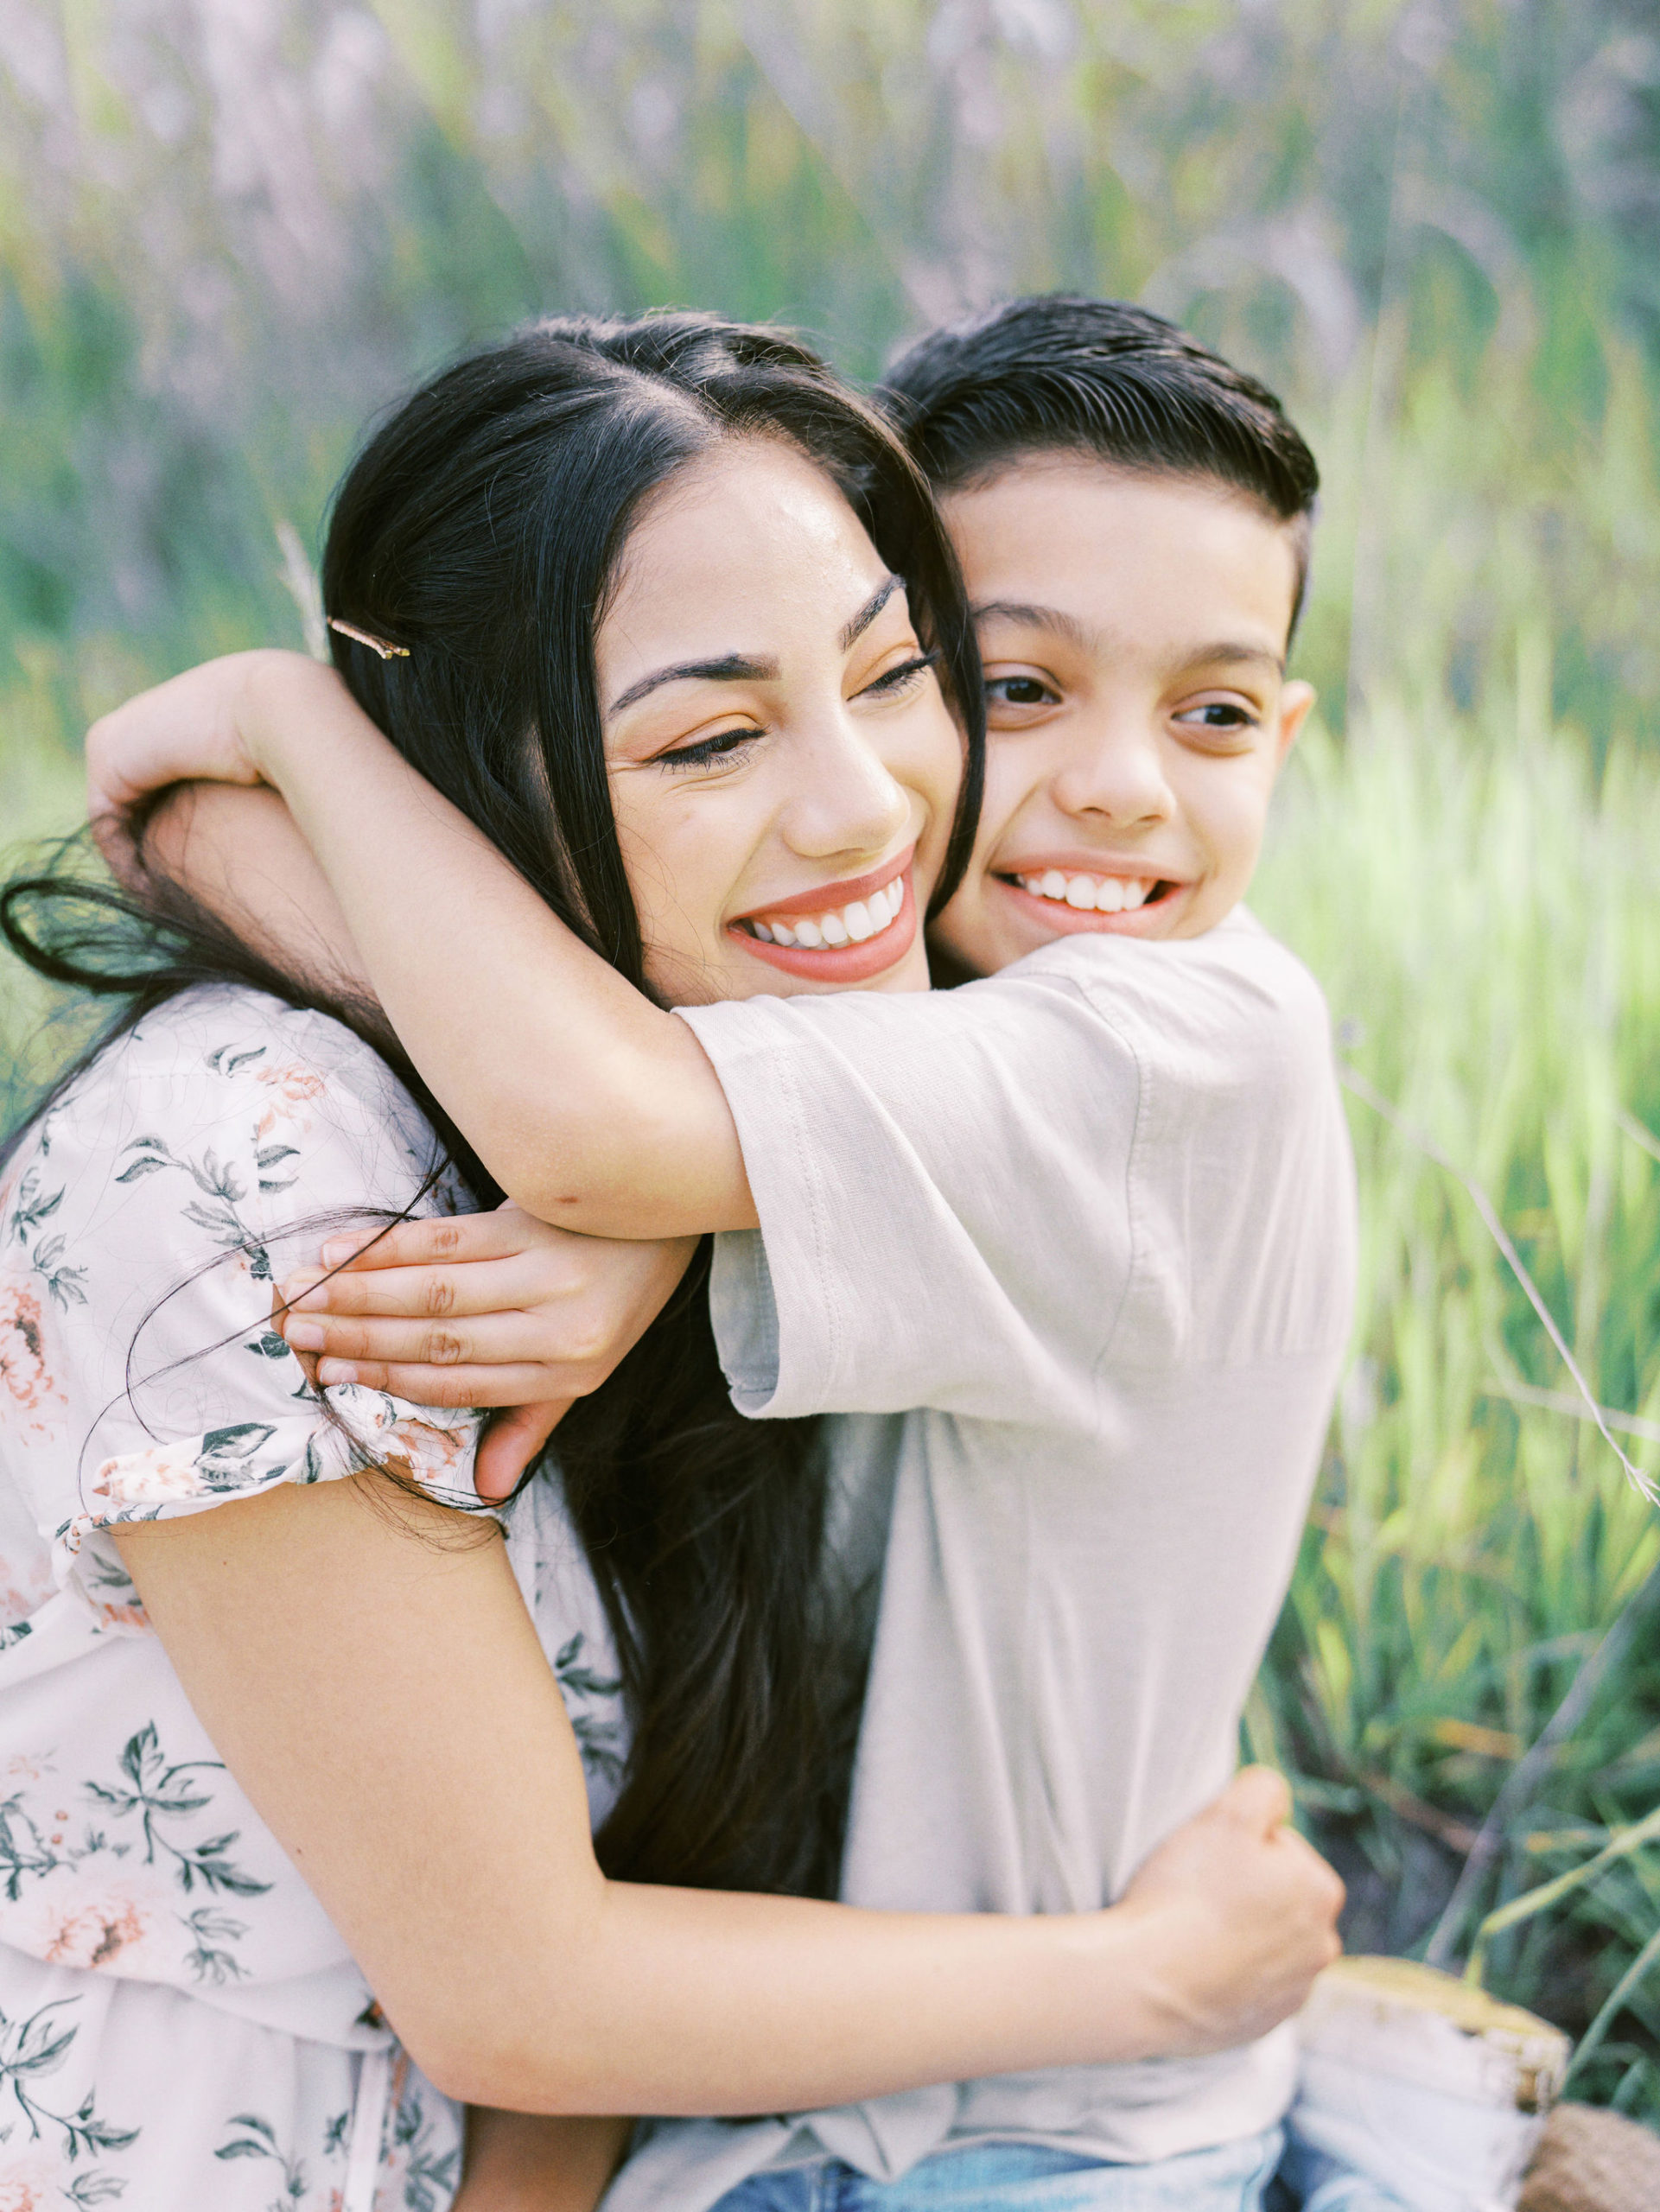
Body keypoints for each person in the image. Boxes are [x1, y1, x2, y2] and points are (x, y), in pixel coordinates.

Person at [0, 312, 1345, 2212]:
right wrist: (296, 742)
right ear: (471, 767)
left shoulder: (1121, 1036)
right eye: (1014, 685)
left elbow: (598, 1117)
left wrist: (654, 1209)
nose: (873, 804)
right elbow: (546, 1962)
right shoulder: (289, 1161)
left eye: (893, 675)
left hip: (996, 2126)